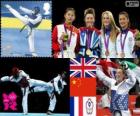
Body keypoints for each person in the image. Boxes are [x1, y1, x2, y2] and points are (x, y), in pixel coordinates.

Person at [0, 67, 67, 115]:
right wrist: (1, 79)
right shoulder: (12, 78)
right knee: (24, 99)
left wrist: (27, 77)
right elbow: (7, 78)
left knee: (42, 83)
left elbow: (26, 75)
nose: (18, 72)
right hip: (24, 88)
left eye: (18, 71)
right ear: (15, 74)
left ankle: (49, 86)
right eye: (17, 72)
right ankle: (25, 112)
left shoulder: (21, 72)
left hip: (30, 82)